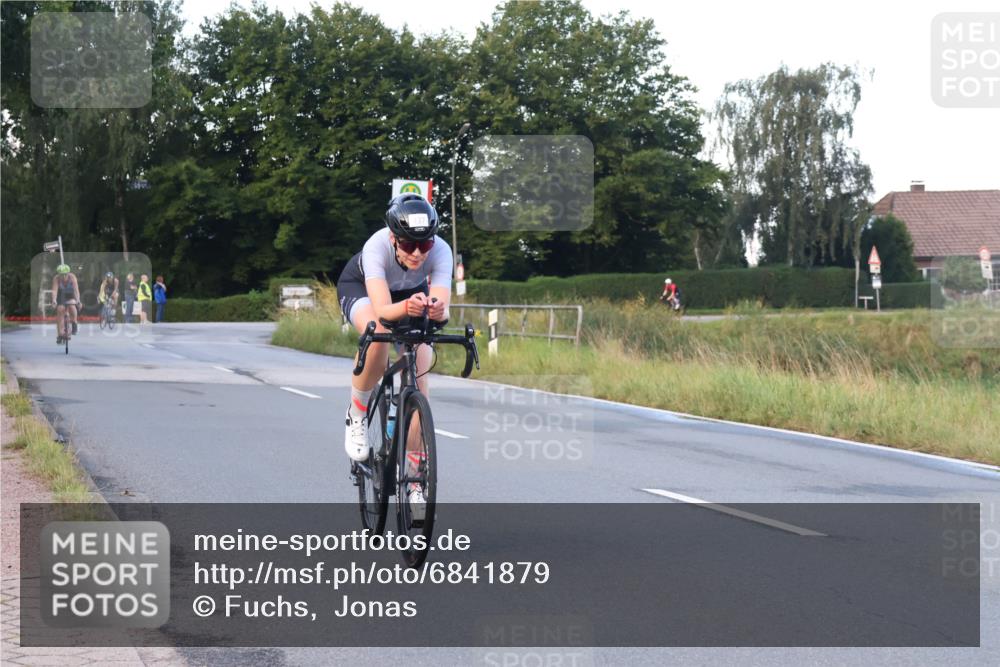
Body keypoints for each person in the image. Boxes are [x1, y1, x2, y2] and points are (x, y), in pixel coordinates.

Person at [337, 194, 452, 513]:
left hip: (410, 294)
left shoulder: (441, 250)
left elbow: (442, 307)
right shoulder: (376, 247)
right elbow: (385, 311)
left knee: (421, 371)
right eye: (408, 244)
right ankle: (357, 413)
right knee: (378, 333)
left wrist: (438, 310)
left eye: (424, 245)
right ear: (393, 238)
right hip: (363, 289)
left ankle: (414, 479)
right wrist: (407, 308)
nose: (417, 253)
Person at [51, 264, 80, 343]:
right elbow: (55, 291)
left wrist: (78, 300)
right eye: (61, 275)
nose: (63, 276)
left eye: (65, 274)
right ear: (58, 274)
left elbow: (76, 290)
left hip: (70, 294)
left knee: (72, 306)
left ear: (68, 273)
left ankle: (74, 322)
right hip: (61, 295)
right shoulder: (56, 279)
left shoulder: (72, 277)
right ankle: (60, 334)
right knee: (60, 310)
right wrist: (54, 300)